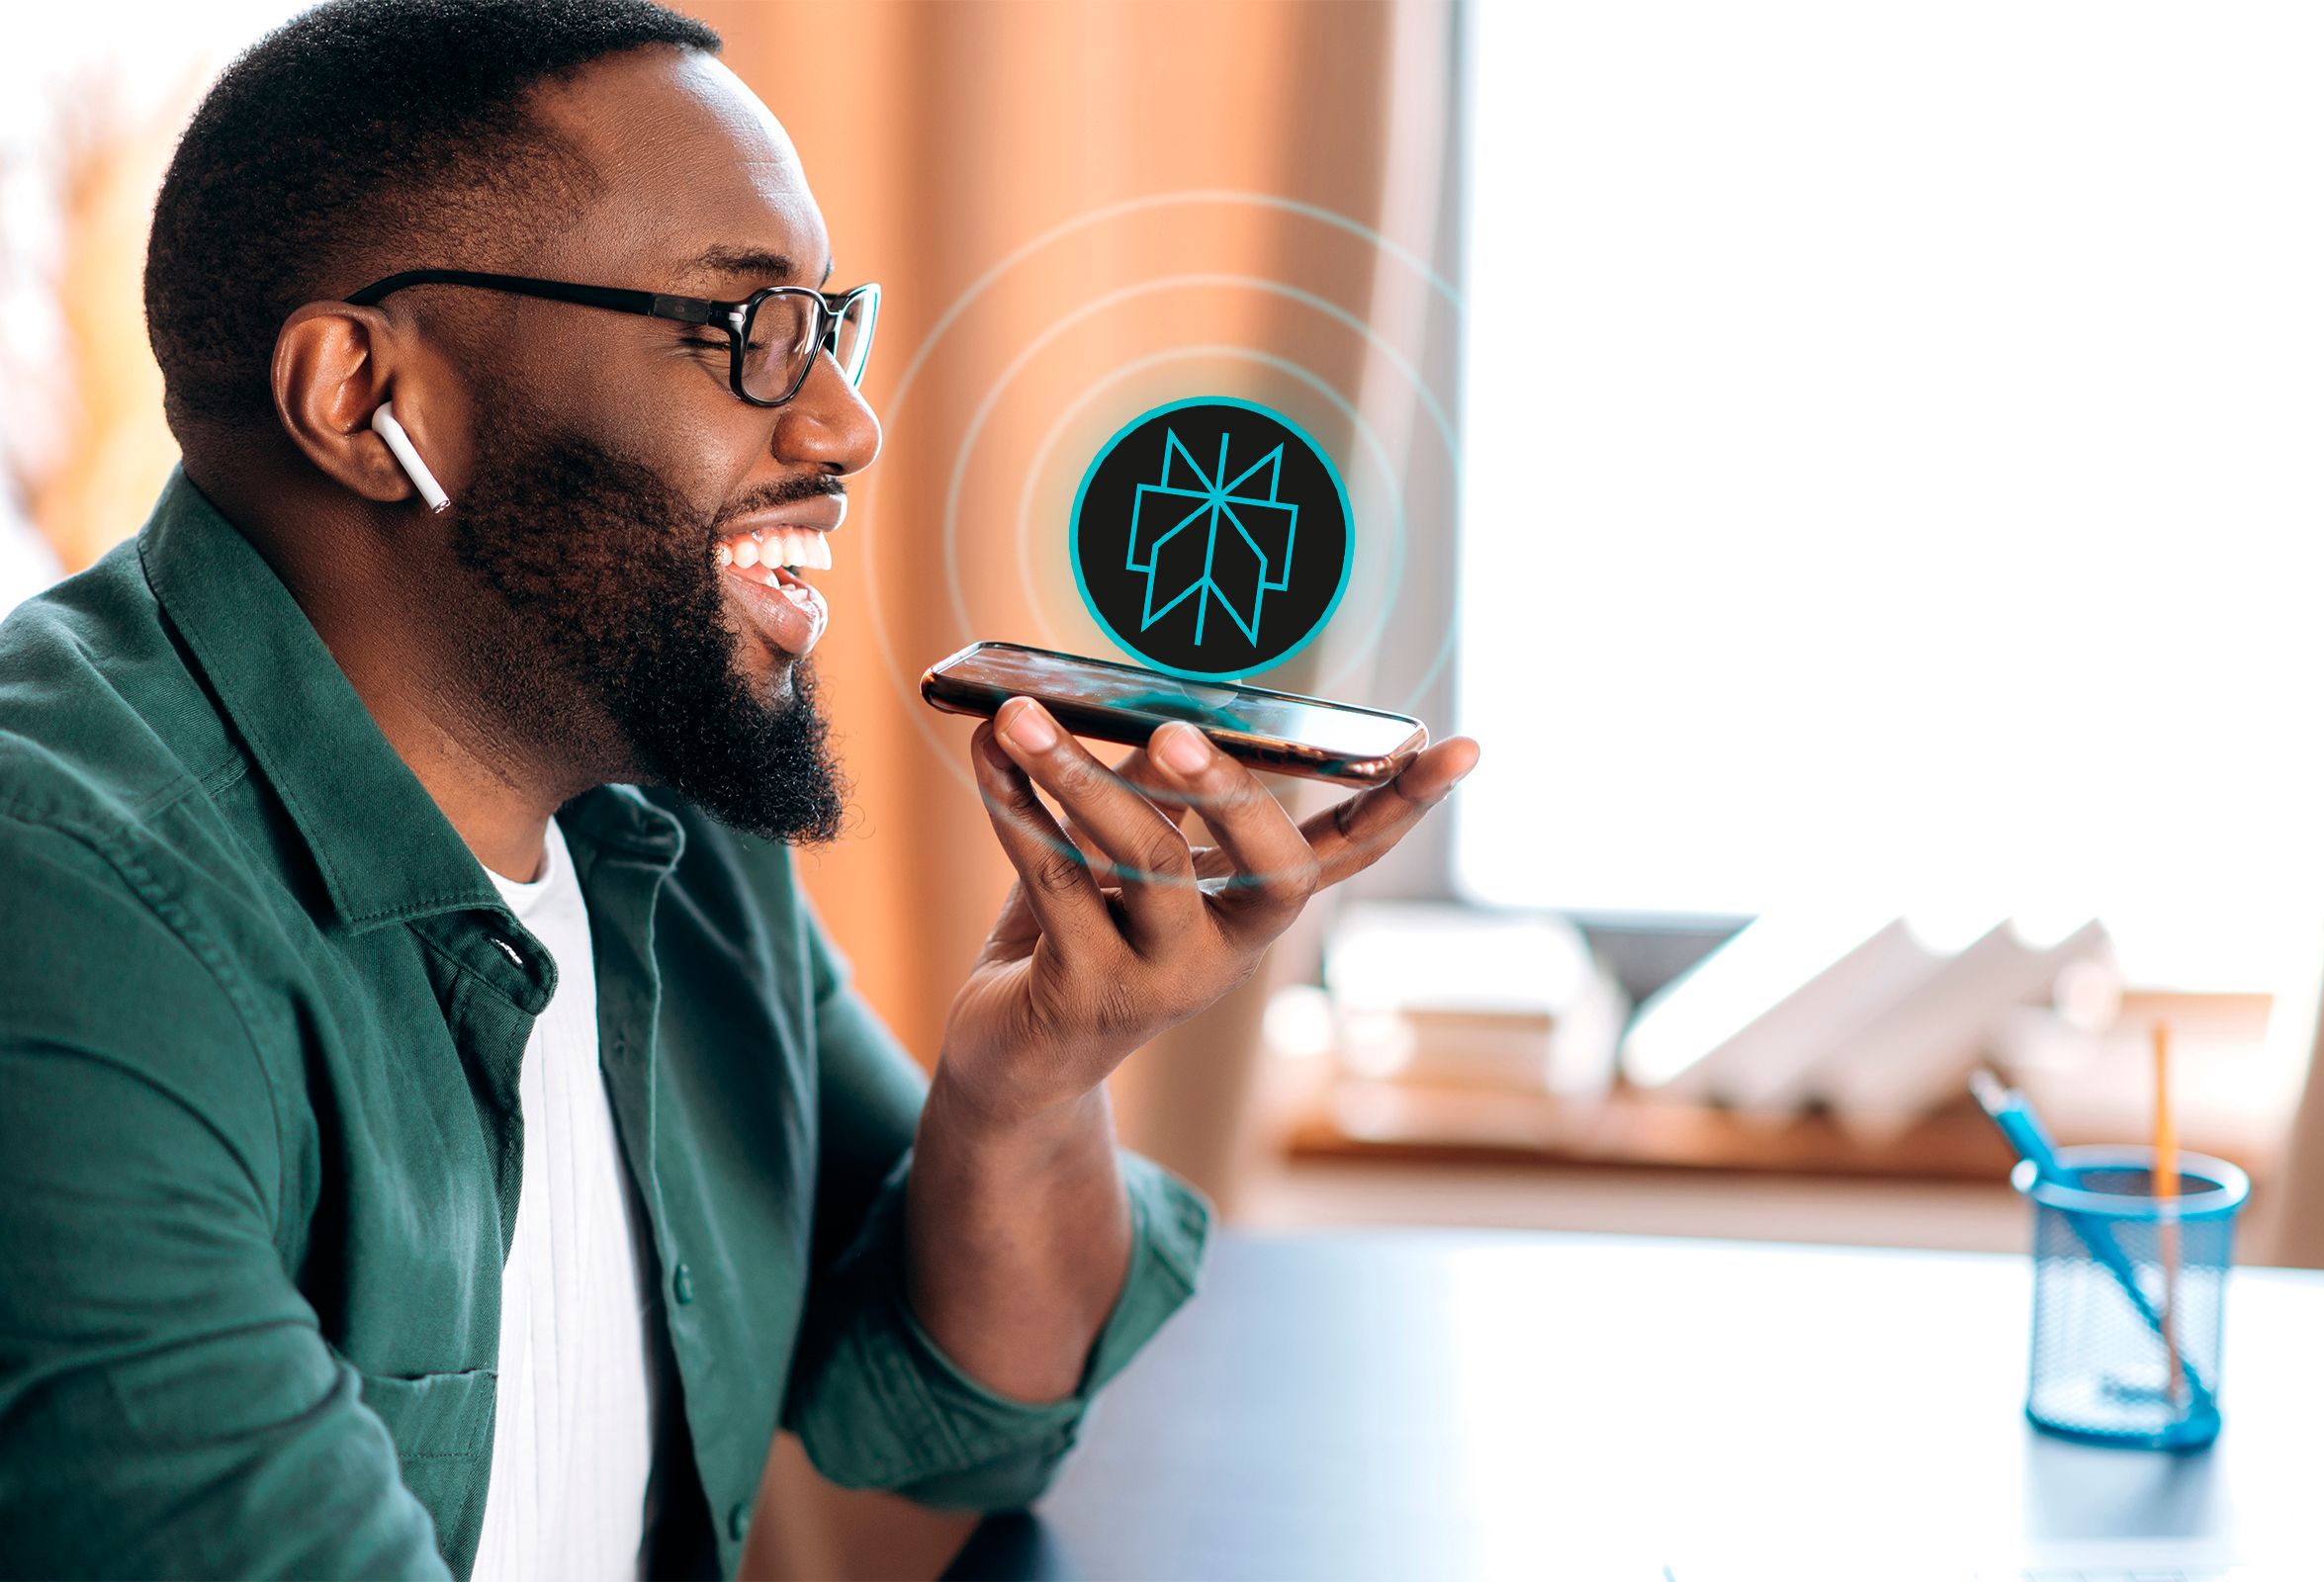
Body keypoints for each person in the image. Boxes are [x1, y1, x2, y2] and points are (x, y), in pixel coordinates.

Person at [0, 1, 1479, 1576]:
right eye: (745, 332)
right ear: (368, 398)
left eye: (829, 325)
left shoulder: (654, 813)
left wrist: (1037, 1078)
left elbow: (958, 1424)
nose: (846, 423)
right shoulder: (75, 920)